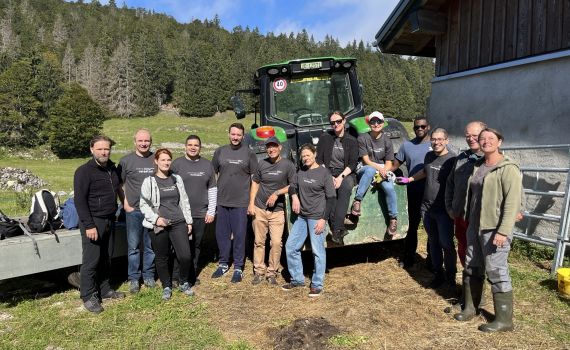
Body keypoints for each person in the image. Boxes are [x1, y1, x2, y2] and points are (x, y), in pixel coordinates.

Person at [453, 128, 521, 332]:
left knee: (497, 271)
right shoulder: (478, 165)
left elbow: (512, 202)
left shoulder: (508, 168)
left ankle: (504, 320)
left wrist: (503, 231)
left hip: (495, 228)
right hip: (474, 226)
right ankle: (471, 308)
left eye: (491, 138)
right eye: (482, 139)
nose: (485, 141)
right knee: (472, 265)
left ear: (500, 141)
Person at [397, 128, 457, 288]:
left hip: (444, 210)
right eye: (434, 139)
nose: (436, 142)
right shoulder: (429, 156)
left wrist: (454, 207)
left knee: (447, 244)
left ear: (446, 141)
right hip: (427, 207)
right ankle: (438, 274)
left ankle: (450, 278)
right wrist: (409, 179)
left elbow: (457, 184)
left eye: (440, 139)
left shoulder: (452, 160)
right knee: (433, 242)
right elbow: (425, 171)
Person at [74, 135, 125, 313]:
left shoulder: (111, 168)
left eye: (107, 149)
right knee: (92, 260)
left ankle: (104, 289)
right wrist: (89, 225)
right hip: (93, 220)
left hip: (110, 218)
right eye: (100, 149)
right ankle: (88, 296)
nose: (104, 152)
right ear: (92, 150)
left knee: (106, 257)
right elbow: (79, 201)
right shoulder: (84, 171)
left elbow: (119, 189)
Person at [140, 148, 194, 301]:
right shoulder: (149, 181)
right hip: (159, 225)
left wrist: (188, 221)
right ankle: (166, 286)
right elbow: (143, 204)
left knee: (185, 256)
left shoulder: (176, 179)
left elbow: (184, 201)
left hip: (178, 222)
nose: (166, 162)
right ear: (156, 162)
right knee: (162, 257)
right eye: (162, 160)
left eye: (168, 159)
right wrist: (156, 219)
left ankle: (183, 282)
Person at [283, 144, 336, 297]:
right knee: (291, 247)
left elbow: (331, 198)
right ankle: (297, 279)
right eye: (303, 156)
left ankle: (317, 284)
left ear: (314, 154)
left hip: (316, 218)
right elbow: (292, 186)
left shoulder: (324, 173)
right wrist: (294, 197)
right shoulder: (301, 172)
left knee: (317, 251)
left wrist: (323, 219)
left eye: (307, 155)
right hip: (302, 217)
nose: (305, 158)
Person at [211, 123, 258, 283]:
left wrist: (251, 202)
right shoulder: (220, 151)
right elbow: (213, 174)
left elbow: (254, 179)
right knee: (221, 234)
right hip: (222, 201)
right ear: (229, 134)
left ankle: (238, 266)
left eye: (238, 135)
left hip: (241, 202)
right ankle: (223, 263)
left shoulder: (249, 154)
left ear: (243, 136)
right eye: (233, 134)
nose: (235, 137)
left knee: (239, 235)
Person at [248, 136, 296, 285]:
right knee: (259, 241)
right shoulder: (261, 164)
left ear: (280, 147)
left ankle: (272, 272)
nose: (271, 149)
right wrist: (251, 204)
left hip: (278, 210)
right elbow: (255, 183)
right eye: (269, 147)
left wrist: (277, 193)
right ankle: (259, 271)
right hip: (259, 207)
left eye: (274, 146)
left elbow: (293, 185)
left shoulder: (288, 165)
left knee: (276, 242)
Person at [172, 135, 217, 286]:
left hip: (200, 212)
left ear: (200, 147)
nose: (193, 147)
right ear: (185, 146)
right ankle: (176, 276)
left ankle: (192, 274)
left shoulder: (207, 165)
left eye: (196, 145)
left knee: (196, 245)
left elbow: (212, 188)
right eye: (190, 145)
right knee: (180, 245)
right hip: (180, 213)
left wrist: (211, 211)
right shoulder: (177, 164)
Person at [118, 129, 156, 294]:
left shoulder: (156, 159)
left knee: (150, 246)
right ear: (135, 141)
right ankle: (134, 278)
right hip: (133, 210)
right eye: (140, 141)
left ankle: (148, 275)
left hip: (152, 211)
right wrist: (125, 203)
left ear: (151, 142)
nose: (143, 143)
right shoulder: (126, 161)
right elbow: (118, 184)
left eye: (146, 141)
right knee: (133, 247)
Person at [391, 116, 432, 269]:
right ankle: (409, 257)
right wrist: (380, 172)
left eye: (423, 126)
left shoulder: (435, 145)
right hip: (413, 191)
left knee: (430, 227)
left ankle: (432, 259)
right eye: (416, 127)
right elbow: (395, 165)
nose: (419, 129)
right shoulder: (406, 146)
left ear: (428, 127)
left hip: (431, 192)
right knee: (412, 225)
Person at [445, 121, 486, 268]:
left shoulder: (491, 159)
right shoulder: (461, 158)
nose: (470, 138)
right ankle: (467, 283)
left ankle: (476, 286)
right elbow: (450, 184)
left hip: (480, 218)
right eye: (467, 135)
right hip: (460, 215)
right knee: (463, 248)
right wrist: (450, 207)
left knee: (478, 252)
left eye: (475, 135)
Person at [350, 111, 398, 235]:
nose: (376, 124)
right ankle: (357, 201)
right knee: (370, 170)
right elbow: (366, 160)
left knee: (389, 188)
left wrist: (384, 171)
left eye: (379, 121)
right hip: (365, 168)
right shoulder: (362, 138)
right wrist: (379, 168)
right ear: (369, 123)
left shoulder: (387, 140)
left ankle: (393, 218)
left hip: (381, 170)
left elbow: (389, 162)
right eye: (373, 121)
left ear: (383, 123)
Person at [316, 111, 358, 244]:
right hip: (327, 171)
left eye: (338, 121)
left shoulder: (352, 140)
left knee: (345, 187)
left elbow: (352, 164)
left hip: (345, 172)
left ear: (344, 121)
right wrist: (329, 177)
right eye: (333, 123)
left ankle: (336, 228)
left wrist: (340, 177)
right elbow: (319, 160)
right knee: (330, 191)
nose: (336, 124)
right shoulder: (325, 138)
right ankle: (338, 230)